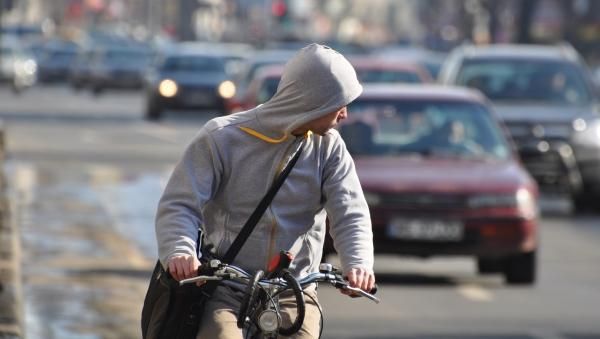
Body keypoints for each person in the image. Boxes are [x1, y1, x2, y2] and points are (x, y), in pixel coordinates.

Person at [155, 43, 376, 338]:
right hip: (226, 288)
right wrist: (181, 251)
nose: (345, 115)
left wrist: (358, 264)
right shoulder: (221, 137)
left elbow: (351, 213)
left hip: (294, 291)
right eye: (338, 103)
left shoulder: (330, 148)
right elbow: (180, 204)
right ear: (312, 101)